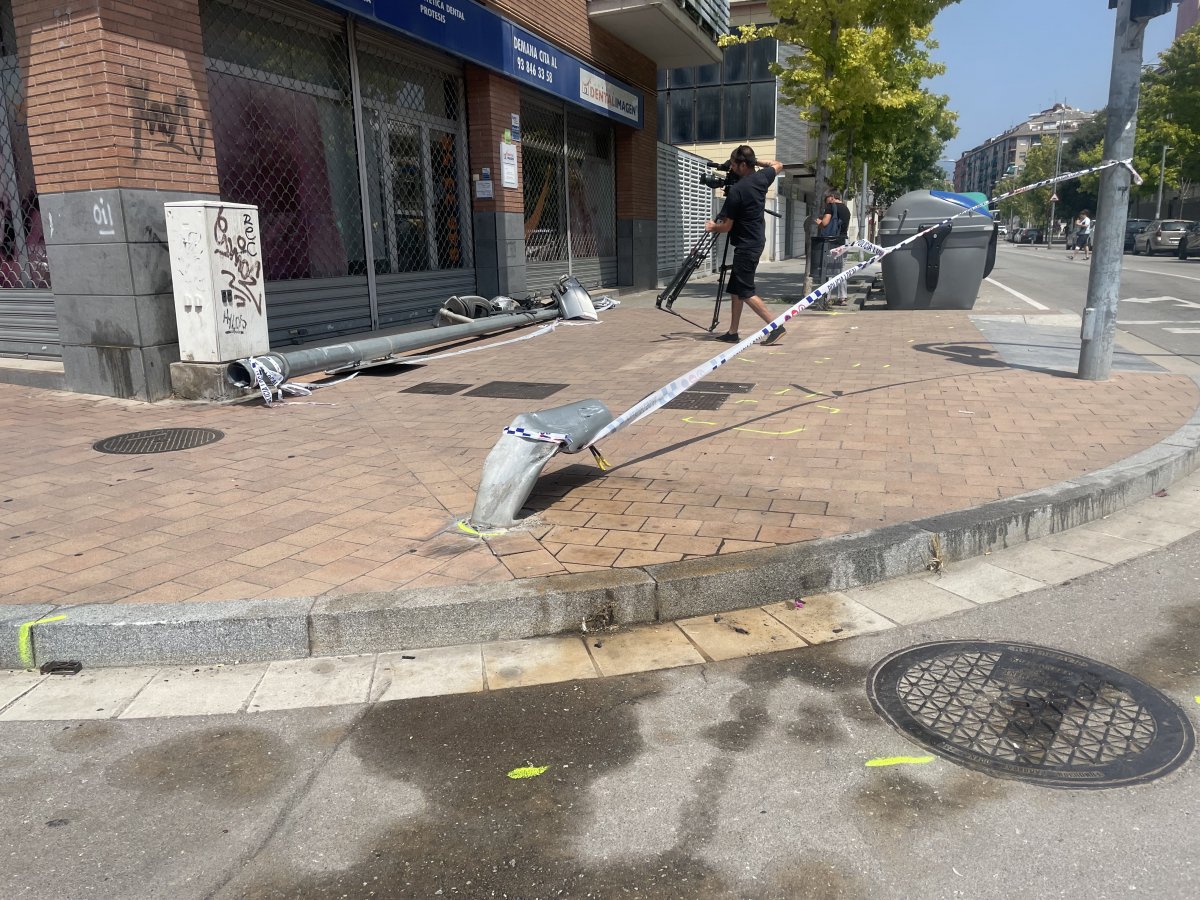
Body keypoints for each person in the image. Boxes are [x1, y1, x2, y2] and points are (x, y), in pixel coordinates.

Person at [704, 145, 786, 344]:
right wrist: (754, 161)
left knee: (745, 291)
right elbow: (778, 164)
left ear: (742, 165)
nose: (731, 168)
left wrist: (713, 227)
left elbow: (727, 227)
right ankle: (733, 332)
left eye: (733, 164)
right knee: (735, 289)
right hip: (755, 240)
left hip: (746, 245)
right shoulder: (762, 178)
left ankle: (776, 326)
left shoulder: (737, 190)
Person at [816, 190, 851, 305]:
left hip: (832, 241)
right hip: (844, 240)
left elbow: (825, 223)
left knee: (829, 268)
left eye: (826, 200)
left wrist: (819, 222)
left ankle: (827, 296)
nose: (826, 203)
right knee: (841, 269)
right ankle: (843, 297)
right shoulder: (846, 209)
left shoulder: (831, 206)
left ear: (831, 197)